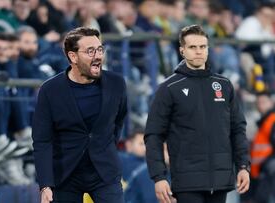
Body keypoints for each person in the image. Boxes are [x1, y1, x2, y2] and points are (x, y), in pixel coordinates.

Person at [144, 24, 250, 203]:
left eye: (203, 47)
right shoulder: (169, 88)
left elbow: (237, 129)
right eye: (192, 47)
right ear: (182, 50)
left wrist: (243, 166)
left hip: (221, 180)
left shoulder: (224, 85)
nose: (198, 51)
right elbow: (153, 135)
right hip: (187, 182)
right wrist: (159, 177)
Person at [32, 27, 128, 203]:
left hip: (104, 171)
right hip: (66, 174)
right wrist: (45, 184)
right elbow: (42, 140)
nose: (98, 56)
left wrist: (105, 146)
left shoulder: (117, 84)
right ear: (73, 57)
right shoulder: (50, 90)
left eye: (100, 49)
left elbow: (119, 120)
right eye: (90, 51)